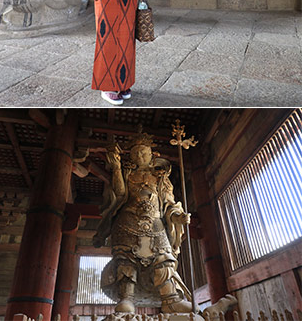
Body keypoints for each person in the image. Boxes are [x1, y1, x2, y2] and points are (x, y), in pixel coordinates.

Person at [93, 133, 237, 318]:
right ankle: (126, 298)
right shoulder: (127, 173)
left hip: (156, 225)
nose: (140, 156)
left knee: (164, 259)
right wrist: (116, 168)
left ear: (151, 154)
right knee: (126, 260)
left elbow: (168, 203)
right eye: (136, 153)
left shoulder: (161, 178)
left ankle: (171, 300)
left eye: (144, 152)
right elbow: (120, 194)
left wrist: (177, 217)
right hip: (128, 223)